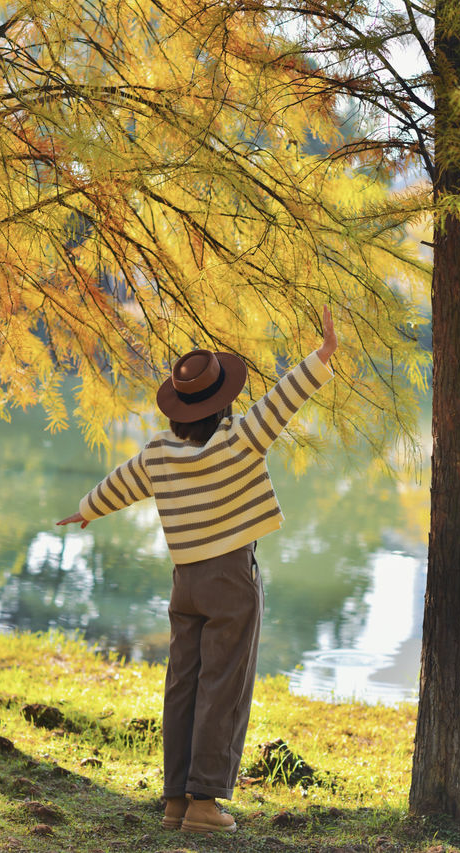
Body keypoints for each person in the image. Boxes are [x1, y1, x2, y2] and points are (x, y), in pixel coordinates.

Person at [57, 305, 337, 834]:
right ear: (221, 400)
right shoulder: (240, 437)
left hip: (185, 582)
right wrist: (321, 356)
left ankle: (175, 802)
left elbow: (124, 480)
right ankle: (205, 803)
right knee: (223, 686)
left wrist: (88, 507)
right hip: (230, 577)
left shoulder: (160, 450)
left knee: (183, 683)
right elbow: (283, 399)